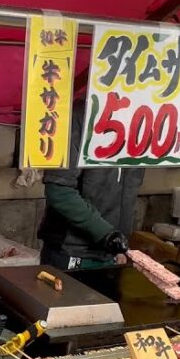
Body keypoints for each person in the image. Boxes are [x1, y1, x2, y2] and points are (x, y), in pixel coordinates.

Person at [37, 106, 142, 270]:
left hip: (110, 254)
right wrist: (106, 234)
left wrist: (119, 245)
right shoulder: (77, 118)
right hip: (71, 251)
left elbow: (126, 194)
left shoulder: (141, 125)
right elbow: (59, 192)